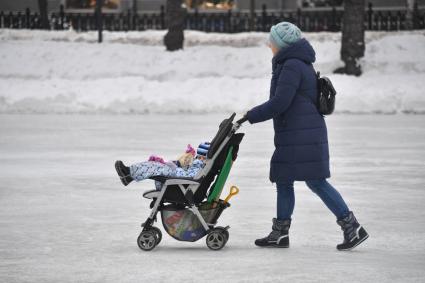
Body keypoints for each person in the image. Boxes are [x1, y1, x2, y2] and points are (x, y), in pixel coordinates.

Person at [240, 22, 368, 251]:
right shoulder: (297, 62)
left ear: (280, 44)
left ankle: (352, 226)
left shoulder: (291, 65)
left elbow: (280, 103)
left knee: (315, 181)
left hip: (301, 134)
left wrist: (250, 116)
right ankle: (280, 233)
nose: (269, 45)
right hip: (300, 131)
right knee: (285, 179)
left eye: (272, 41)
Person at [115, 143, 210, 190]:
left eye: (201, 157)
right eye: (199, 156)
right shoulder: (199, 165)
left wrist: (175, 168)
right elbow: (187, 172)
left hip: (177, 183)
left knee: (155, 167)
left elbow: (188, 176)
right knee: (155, 166)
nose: (199, 158)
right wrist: (176, 164)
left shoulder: (199, 166)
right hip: (176, 180)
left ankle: (129, 173)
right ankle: (129, 174)